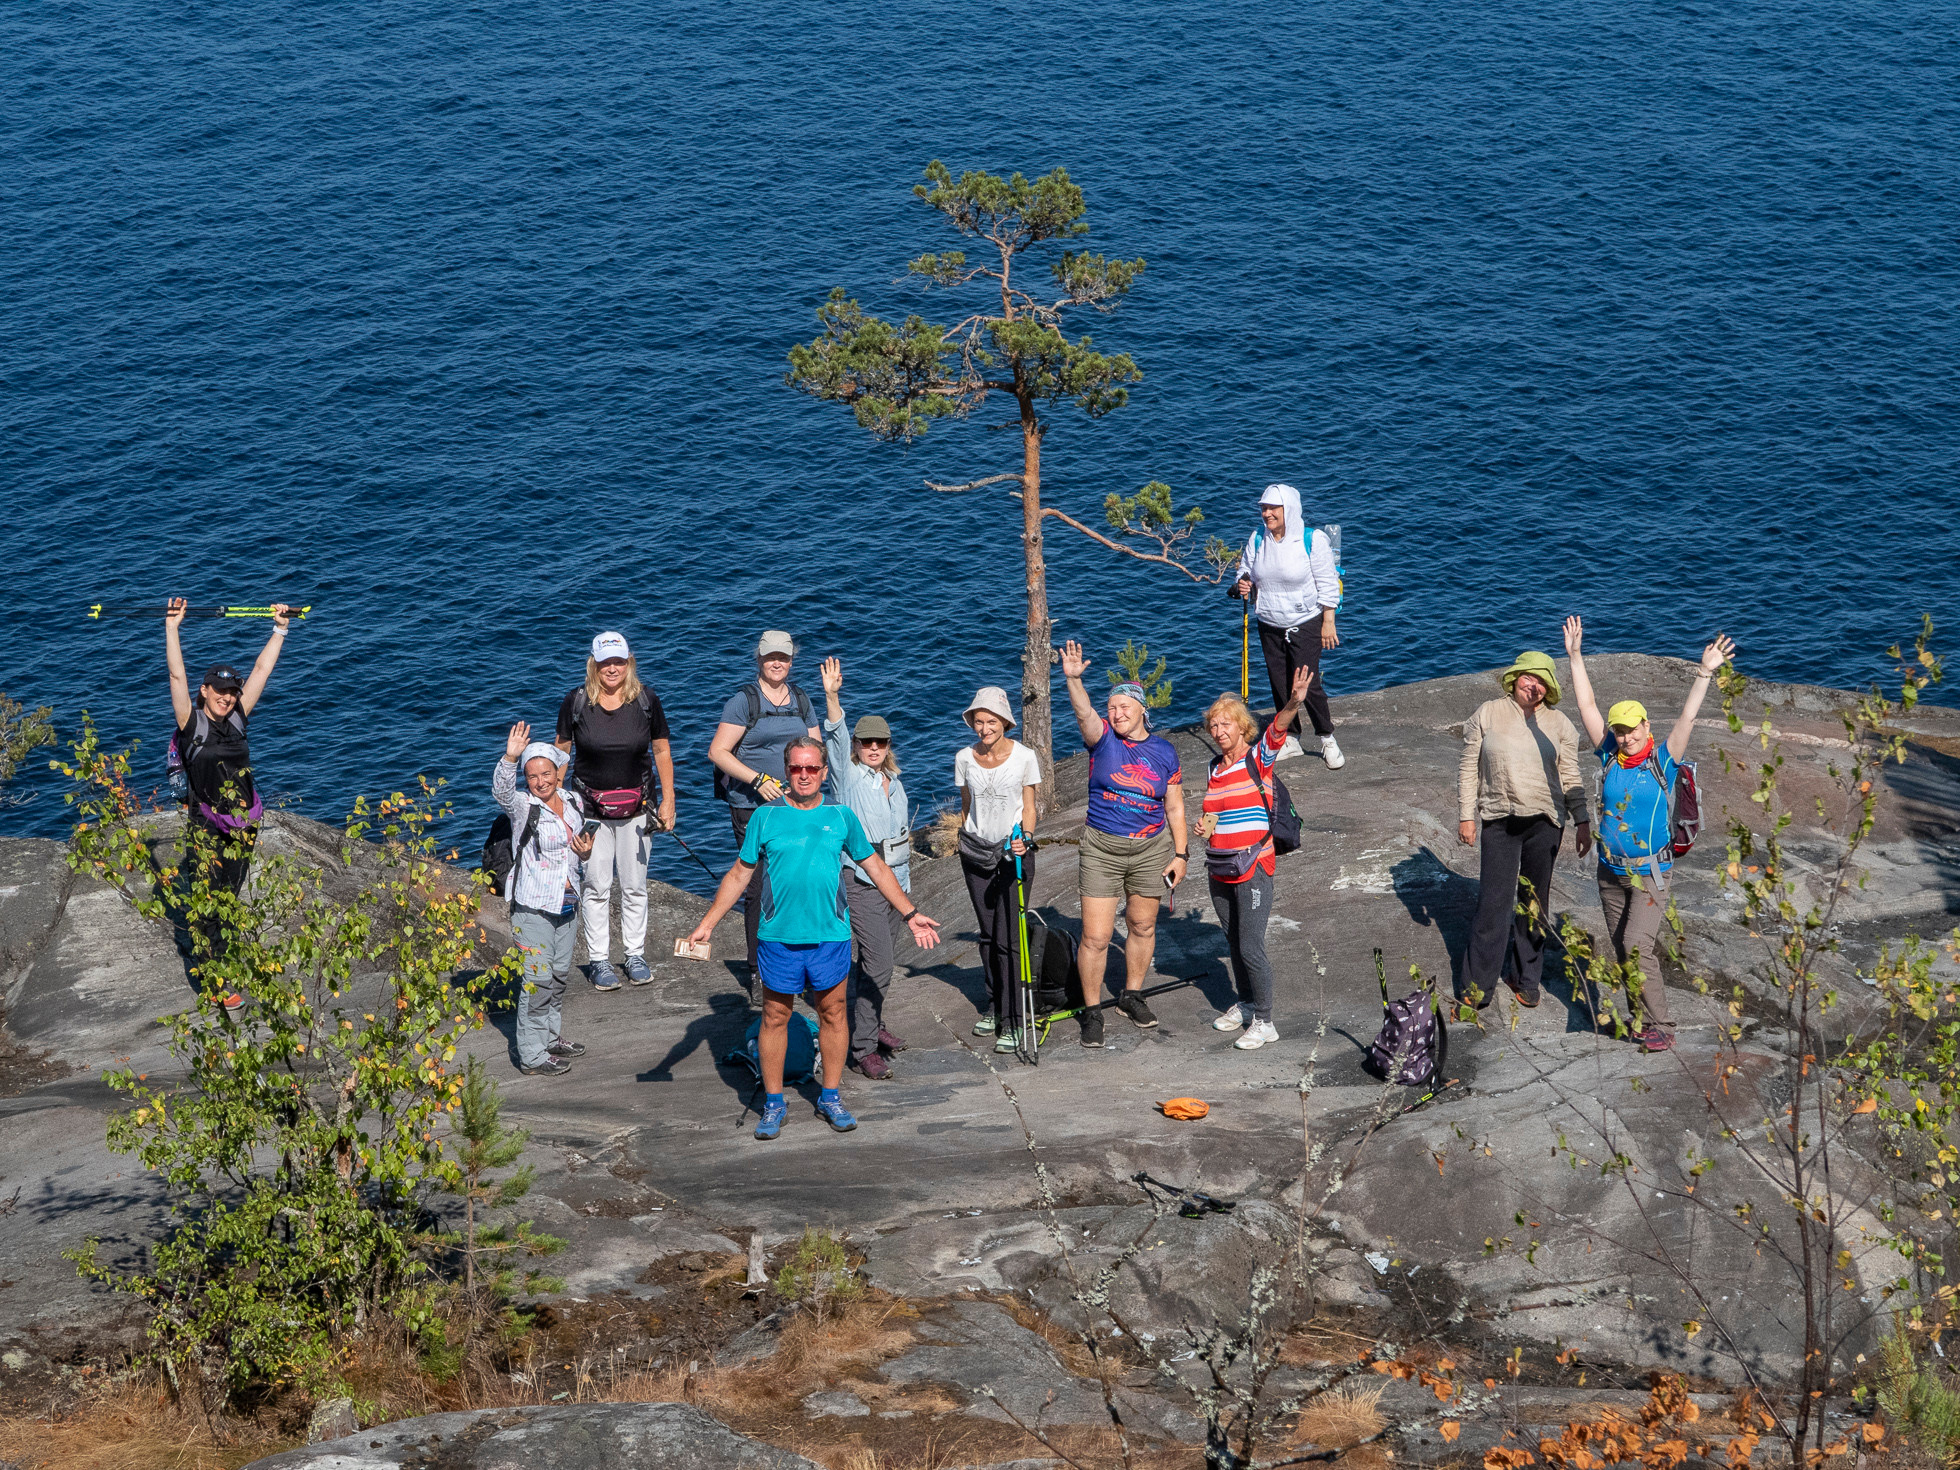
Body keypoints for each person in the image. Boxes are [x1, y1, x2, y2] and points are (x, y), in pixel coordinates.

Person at [686, 736, 940, 1139]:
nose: (804, 775)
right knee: (774, 1016)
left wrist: (910, 913)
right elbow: (740, 873)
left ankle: (831, 1096)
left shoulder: (841, 816)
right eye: (796, 768)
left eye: (812, 768)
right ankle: (773, 1103)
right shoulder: (765, 817)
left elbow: (874, 866)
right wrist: (708, 923)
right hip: (777, 936)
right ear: (786, 772)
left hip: (830, 936)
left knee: (834, 1014)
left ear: (823, 771)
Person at [1564, 618, 1734, 1052]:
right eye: (1618, 730)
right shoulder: (1609, 756)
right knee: (1622, 949)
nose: (1623, 736)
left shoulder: (1661, 760)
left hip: (1651, 874)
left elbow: (1688, 717)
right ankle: (1640, 1020)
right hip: (1609, 873)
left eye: (1630, 728)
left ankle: (1665, 1025)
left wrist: (1704, 673)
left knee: (1638, 946)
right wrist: (1576, 657)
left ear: (1645, 725)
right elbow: (1586, 706)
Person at [1060, 640, 1190, 1047]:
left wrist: (1181, 854)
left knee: (1142, 924)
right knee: (1096, 937)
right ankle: (1092, 1010)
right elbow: (1084, 713)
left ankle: (1131, 995)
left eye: (1124, 708)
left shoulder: (1165, 752)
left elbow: (1175, 808)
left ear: (1141, 710)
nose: (1116, 714)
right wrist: (1073, 680)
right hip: (1102, 848)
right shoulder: (1103, 742)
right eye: (1112, 707)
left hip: (1150, 849)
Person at [164, 597, 290, 1004]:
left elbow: (261, 670)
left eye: (231, 692)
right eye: (219, 691)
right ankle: (216, 984)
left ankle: (224, 963)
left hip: (243, 825)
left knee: (228, 900)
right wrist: (172, 627)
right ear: (205, 691)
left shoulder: (237, 719)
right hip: (205, 826)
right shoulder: (192, 724)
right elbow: (176, 676)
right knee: (207, 902)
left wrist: (280, 628)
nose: (228, 697)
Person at [1457, 649, 1591, 1012]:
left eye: (1542, 681)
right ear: (1515, 678)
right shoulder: (1488, 713)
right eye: (1528, 677)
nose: (1533, 685)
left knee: (1534, 904)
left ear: (1549, 690)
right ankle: (1478, 987)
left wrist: (1582, 821)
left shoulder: (1561, 725)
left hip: (1545, 823)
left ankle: (1526, 977)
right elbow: (1469, 767)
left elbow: (1570, 776)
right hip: (1498, 820)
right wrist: (1466, 815)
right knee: (1492, 904)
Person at [1198, 667, 1314, 1051]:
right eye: (1213, 725)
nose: (1218, 731)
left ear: (1242, 727)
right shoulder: (1214, 768)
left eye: (1225, 723)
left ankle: (1265, 1021)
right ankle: (1246, 1004)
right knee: (1234, 941)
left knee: (1251, 945)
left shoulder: (1257, 759)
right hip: (1220, 865)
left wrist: (1295, 701)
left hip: (1253, 865)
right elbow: (1216, 811)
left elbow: (1278, 729)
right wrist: (1205, 826)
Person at [555, 631, 675, 991]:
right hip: (589, 811)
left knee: (635, 885)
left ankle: (634, 955)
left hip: (638, 810)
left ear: (629, 662)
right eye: (605, 662)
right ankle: (599, 961)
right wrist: (558, 808)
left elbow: (662, 751)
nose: (612, 668)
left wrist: (669, 800)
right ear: (593, 664)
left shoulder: (646, 701)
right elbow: (560, 754)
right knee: (595, 885)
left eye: (619, 661)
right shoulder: (576, 703)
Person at [709, 631, 821, 985]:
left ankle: (797, 959)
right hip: (751, 808)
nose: (777, 663)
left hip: (796, 805)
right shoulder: (744, 702)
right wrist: (758, 781)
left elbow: (818, 752)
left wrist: (807, 788)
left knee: (797, 879)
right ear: (759, 658)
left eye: (784, 657)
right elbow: (718, 752)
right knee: (757, 887)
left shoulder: (801, 700)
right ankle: (758, 969)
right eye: (771, 656)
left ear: (792, 660)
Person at [820, 657, 912, 1080]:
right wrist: (833, 696)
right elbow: (834, 740)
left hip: (898, 876)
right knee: (879, 963)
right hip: (861, 878)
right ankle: (860, 1048)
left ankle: (871, 1026)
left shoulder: (894, 781)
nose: (873, 749)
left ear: (889, 746)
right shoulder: (849, 778)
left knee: (876, 961)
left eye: (880, 743)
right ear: (857, 745)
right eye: (866, 743)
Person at [492, 724, 596, 1076]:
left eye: (546, 773)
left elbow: (577, 853)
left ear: (557, 773)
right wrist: (510, 756)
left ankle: (551, 1036)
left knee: (560, 975)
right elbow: (501, 792)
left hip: (567, 902)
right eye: (532, 775)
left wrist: (585, 852)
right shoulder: (524, 807)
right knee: (537, 982)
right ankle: (532, 1055)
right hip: (533, 907)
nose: (540, 781)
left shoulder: (573, 802)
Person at [952, 687, 1043, 1053]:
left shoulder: (1024, 757)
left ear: (1004, 721)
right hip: (975, 853)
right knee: (988, 935)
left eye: (991, 721)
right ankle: (993, 1004)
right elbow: (966, 805)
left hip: (1013, 854)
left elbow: (1031, 806)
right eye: (978, 721)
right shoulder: (964, 758)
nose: (984, 728)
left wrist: (1028, 837)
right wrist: (966, 839)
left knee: (1010, 939)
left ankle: (1013, 1018)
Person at [1233, 483, 1345, 769]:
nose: (1266, 513)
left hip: (1304, 622)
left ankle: (1326, 737)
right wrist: (1243, 582)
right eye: (1263, 508)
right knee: (1279, 682)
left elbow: (1327, 582)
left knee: (1308, 683)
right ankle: (1290, 737)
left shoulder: (1312, 540)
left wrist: (1328, 622)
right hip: (1269, 622)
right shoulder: (1258, 539)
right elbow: (1245, 569)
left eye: (1272, 508)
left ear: (1289, 510)